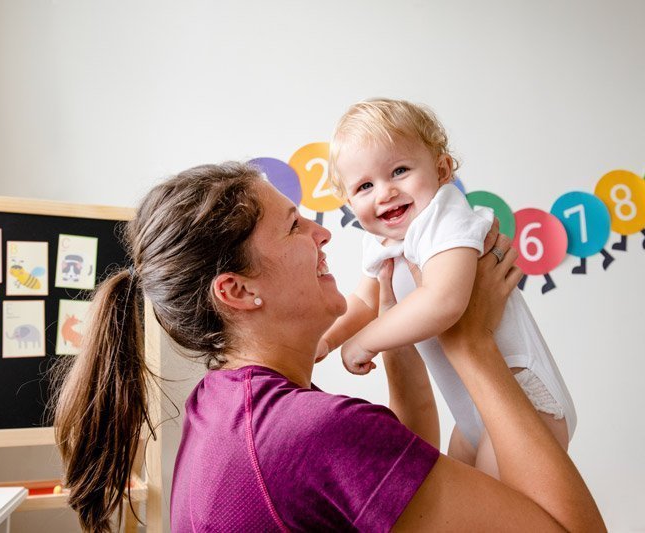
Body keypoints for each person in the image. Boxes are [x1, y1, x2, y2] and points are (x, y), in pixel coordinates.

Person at [54, 162, 604, 532]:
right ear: (238, 291)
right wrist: (472, 346)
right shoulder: (307, 433)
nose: (324, 235)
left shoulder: (224, 405)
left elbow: (402, 470)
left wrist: (401, 331)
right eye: (294, 226)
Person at [320, 98, 576, 477]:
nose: (385, 192)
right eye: (365, 186)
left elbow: (444, 301)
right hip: (471, 411)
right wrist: (325, 342)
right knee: (453, 495)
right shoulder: (380, 242)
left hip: (522, 396)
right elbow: (363, 301)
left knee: (494, 511)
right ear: (348, 202)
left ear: (442, 170)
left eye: (400, 170)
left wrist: (365, 341)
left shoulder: (444, 218)